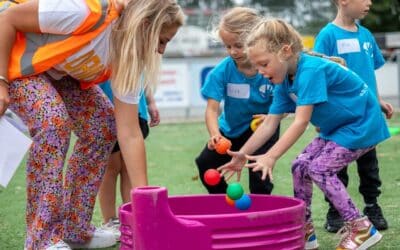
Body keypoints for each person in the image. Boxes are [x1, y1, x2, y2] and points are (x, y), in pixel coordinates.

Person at [0, 0, 184, 249]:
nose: (161, 50)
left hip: (53, 70)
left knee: (102, 127)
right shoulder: (87, 12)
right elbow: (8, 18)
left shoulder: (127, 57)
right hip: (12, 59)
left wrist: (145, 202)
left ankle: (74, 229)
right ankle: (40, 239)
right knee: (53, 122)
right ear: (146, 25)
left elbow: (129, 132)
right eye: (162, 40)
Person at [218, 18, 389, 250]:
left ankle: (361, 228)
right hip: (338, 128)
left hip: (361, 125)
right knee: (299, 166)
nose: (260, 72)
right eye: (257, 66)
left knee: (319, 169)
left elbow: (300, 122)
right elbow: (270, 123)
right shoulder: (282, 82)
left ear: (285, 51)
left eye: (264, 64)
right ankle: (304, 229)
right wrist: (242, 155)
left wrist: (271, 156)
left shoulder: (310, 70)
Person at [313, 0, 393, 233]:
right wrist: (320, 115)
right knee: (337, 168)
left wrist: (377, 101)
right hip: (339, 117)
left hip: (366, 115)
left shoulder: (366, 35)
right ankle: (335, 211)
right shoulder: (327, 36)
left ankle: (372, 206)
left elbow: (368, 73)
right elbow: (318, 76)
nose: (369, 2)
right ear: (343, 1)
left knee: (370, 167)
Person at [195, 7, 279, 195]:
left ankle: (260, 215)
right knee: (205, 163)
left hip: (263, 129)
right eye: (228, 46)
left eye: (238, 45)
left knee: (259, 177)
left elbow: (286, 102)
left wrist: (273, 118)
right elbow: (211, 110)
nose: (233, 51)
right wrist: (215, 134)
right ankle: (224, 203)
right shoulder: (221, 72)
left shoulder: (272, 69)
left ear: (256, 40)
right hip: (230, 130)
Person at [97, 81, 160, 240]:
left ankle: (132, 217)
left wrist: (151, 102)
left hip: (137, 113)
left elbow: (143, 75)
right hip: (106, 111)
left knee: (130, 168)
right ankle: (110, 221)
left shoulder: (136, 58)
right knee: (110, 168)